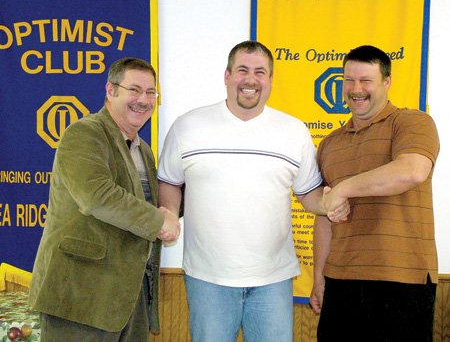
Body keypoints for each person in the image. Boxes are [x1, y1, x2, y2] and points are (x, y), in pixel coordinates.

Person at [157, 40, 348, 342]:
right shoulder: (187, 127)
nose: (250, 79)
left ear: (271, 80)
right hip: (208, 279)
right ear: (227, 76)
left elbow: (310, 194)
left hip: (272, 280)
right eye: (242, 70)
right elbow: (169, 180)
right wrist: (167, 213)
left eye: (260, 72)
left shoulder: (293, 131)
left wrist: (332, 204)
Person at [29, 58, 180, 341]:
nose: (143, 100)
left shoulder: (143, 149)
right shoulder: (85, 133)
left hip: (127, 299)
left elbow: (149, 204)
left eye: (151, 92)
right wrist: (161, 222)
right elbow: (96, 196)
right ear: (110, 90)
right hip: (80, 297)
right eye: (134, 90)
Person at [310, 45, 440, 341]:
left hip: (402, 279)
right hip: (340, 280)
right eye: (348, 80)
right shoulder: (329, 144)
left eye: (366, 80)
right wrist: (319, 278)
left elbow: (411, 171)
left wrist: (343, 188)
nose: (356, 89)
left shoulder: (412, 122)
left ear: (386, 82)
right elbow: (324, 214)